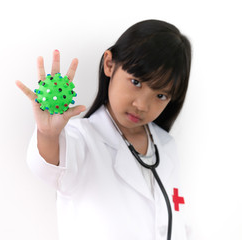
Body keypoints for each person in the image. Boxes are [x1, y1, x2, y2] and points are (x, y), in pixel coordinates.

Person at [15, 19, 192, 240]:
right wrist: (47, 134)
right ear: (109, 64)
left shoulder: (166, 146)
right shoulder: (80, 139)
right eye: (136, 82)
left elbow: (173, 223)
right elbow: (49, 166)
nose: (142, 105)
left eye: (161, 95)